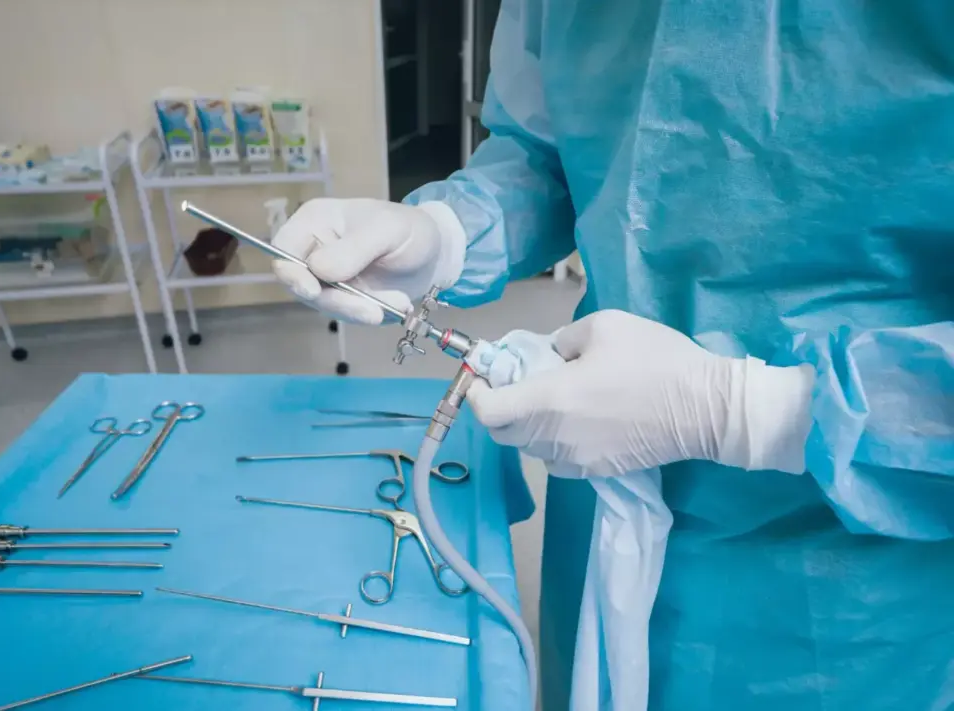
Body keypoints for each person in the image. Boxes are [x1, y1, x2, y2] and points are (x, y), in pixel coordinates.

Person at [270, 2, 954, 709]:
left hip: (853, 592)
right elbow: (553, 156)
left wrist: (755, 409)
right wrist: (444, 231)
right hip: (600, 487)